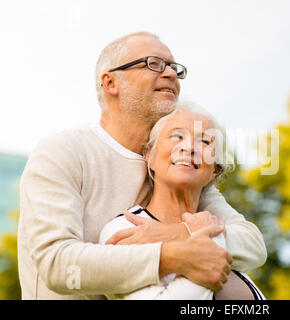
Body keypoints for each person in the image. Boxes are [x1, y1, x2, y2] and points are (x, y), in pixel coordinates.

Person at [17, 31, 267, 299]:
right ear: (110, 82)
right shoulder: (63, 151)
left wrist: (179, 233)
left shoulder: (176, 168)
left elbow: (251, 243)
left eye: (174, 67)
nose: (171, 73)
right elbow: (57, 265)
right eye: (154, 64)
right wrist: (170, 256)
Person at [99, 102, 265, 300]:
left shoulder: (215, 226)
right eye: (177, 136)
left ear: (215, 170)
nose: (189, 147)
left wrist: (193, 233)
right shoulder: (125, 228)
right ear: (149, 155)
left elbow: (256, 247)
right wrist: (207, 242)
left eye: (204, 141)